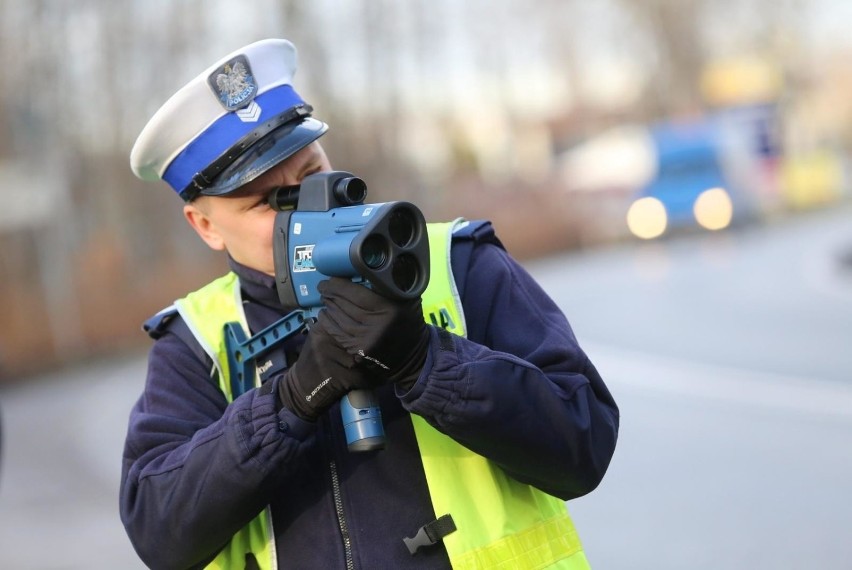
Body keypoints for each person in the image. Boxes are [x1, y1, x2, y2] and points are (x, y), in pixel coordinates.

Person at [120, 38, 619, 570]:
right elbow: (160, 533)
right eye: (271, 201)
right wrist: (286, 405)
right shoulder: (197, 340)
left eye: (311, 174)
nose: (309, 205)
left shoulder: (456, 262)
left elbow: (583, 444)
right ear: (205, 226)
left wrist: (428, 362)